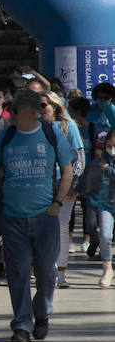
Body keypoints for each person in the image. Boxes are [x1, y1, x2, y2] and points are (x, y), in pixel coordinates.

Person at [0, 87, 75, 342]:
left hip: (45, 216)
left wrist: (57, 202)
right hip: (12, 218)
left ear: (30, 112)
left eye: (15, 110)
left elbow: (67, 171)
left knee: (46, 272)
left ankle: (42, 312)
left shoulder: (51, 134)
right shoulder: (6, 136)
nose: (10, 114)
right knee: (18, 273)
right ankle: (22, 324)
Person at [43, 91, 85, 289]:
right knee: (43, 228)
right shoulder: (36, 127)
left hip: (64, 185)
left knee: (60, 227)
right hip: (41, 186)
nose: (41, 109)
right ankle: (45, 268)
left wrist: (72, 183)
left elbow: (80, 159)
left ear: (55, 106)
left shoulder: (69, 126)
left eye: (44, 105)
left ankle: (60, 272)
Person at [90, 130, 115, 287]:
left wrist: (107, 169)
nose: (112, 148)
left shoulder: (105, 165)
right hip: (105, 204)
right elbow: (90, 176)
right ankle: (107, 267)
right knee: (105, 236)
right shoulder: (101, 159)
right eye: (110, 145)